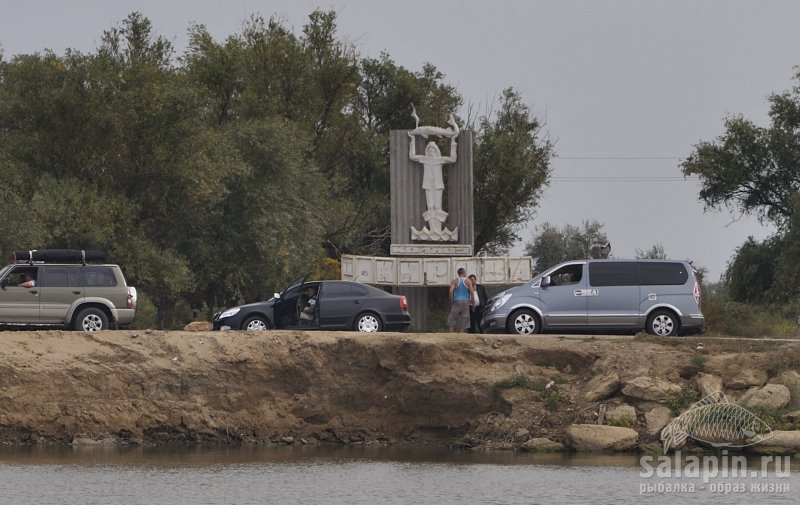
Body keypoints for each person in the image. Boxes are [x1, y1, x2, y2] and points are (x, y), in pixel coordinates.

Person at [447, 268, 474, 333]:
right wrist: (472, 301)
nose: (466, 274)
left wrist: (451, 300)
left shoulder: (455, 281)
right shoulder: (468, 281)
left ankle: (451, 331)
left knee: (453, 315)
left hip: (457, 300)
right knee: (465, 316)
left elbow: (450, 291)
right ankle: (461, 332)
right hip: (465, 300)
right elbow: (472, 292)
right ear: (463, 273)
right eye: (465, 272)